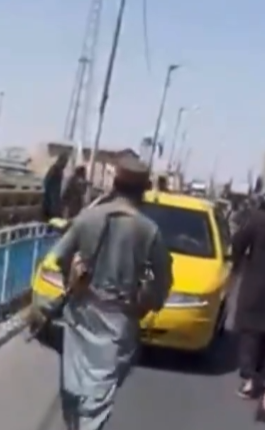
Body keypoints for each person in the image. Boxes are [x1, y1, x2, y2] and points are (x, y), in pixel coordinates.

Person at [45, 156, 173, 430]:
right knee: (99, 394)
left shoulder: (88, 218)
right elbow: (159, 279)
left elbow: (59, 256)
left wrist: (73, 279)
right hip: (119, 319)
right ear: (143, 190)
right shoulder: (149, 231)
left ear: (115, 184)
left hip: (81, 313)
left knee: (73, 382)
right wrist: (147, 299)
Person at [231, 190, 265, 401]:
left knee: (251, 333)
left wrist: (236, 265)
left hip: (257, 285)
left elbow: (238, 243)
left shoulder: (257, 220)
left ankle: (250, 380)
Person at [42, 153, 69, 221]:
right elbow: (47, 183)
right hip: (50, 203)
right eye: (65, 162)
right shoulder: (54, 170)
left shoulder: (59, 170)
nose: (65, 165)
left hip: (54, 202)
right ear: (60, 160)